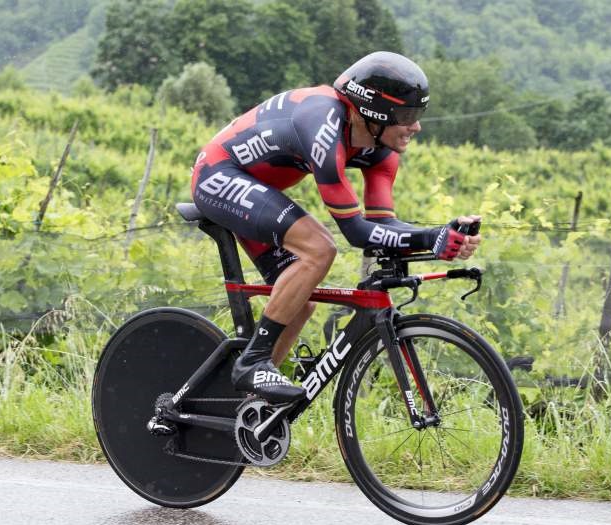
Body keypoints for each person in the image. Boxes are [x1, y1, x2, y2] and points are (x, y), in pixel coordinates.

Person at [191, 51, 481, 403]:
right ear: (374, 113)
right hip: (219, 174)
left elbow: (381, 226)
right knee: (319, 249)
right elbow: (356, 232)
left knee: (298, 304)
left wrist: (439, 237)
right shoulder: (323, 126)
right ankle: (253, 362)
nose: (416, 127)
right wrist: (428, 237)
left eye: (418, 115)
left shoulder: (383, 151)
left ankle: (247, 408)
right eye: (407, 116)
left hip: (257, 188)